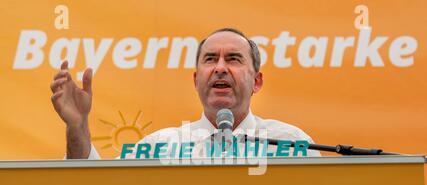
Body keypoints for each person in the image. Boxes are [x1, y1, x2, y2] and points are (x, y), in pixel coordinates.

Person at [50, 28, 321, 159]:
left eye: (234, 59)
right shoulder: (158, 148)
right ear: (196, 80)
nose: (220, 68)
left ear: (257, 81)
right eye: (210, 59)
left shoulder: (291, 143)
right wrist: (77, 126)